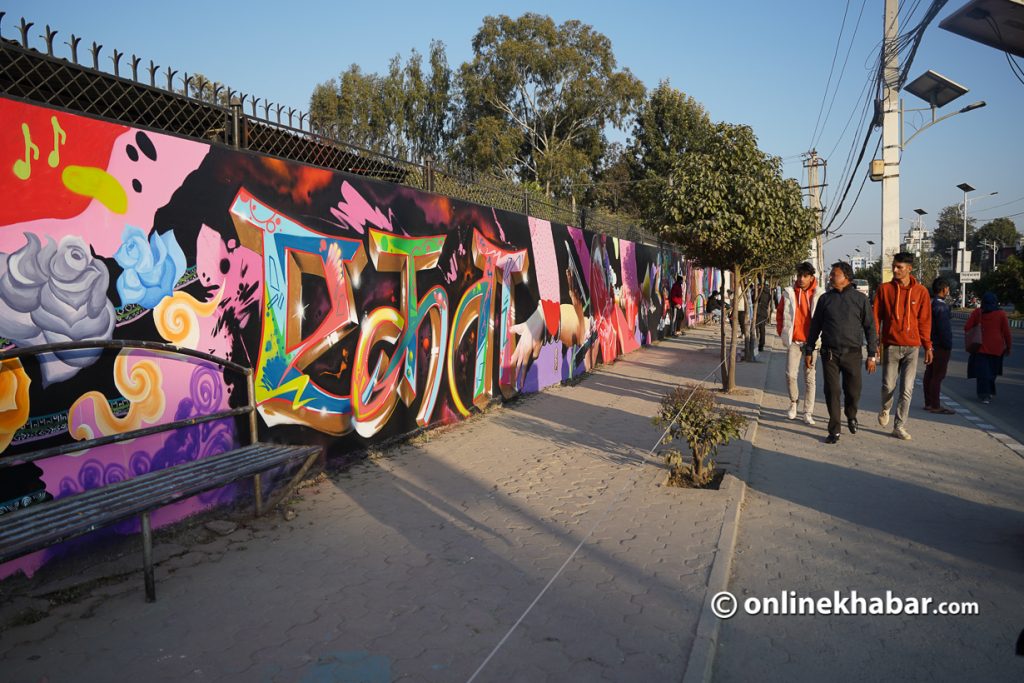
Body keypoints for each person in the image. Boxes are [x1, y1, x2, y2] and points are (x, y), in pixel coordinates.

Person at [804, 261, 878, 444]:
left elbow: (870, 328)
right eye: (831, 274)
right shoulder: (825, 299)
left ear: (846, 277)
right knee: (832, 390)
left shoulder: (860, 300)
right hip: (829, 353)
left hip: (853, 353)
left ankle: (851, 415)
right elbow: (815, 326)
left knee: (853, 391)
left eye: (834, 274)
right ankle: (834, 429)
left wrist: (872, 355)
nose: (830, 277)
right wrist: (809, 349)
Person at [872, 252, 933, 440]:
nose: (895, 270)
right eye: (894, 266)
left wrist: (928, 346)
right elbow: (876, 317)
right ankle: (885, 408)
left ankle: (899, 425)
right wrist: (875, 342)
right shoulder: (884, 290)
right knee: (888, 386)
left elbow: (924, 321)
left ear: (909, 269)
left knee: (907, 389)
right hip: (890, 346)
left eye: (899, 267)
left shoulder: (921, 291)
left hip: (912, 348)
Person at [776, 261, 823, 425]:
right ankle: (793, 404)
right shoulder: (789, 292)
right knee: (790, 374)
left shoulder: (819, 293)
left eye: (805, 276)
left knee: (810, 378)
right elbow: (780, 313)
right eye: (799, 276)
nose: (801, 279)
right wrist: (781, 331)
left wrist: (821, 337)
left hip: (812, 342)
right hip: (794, 341)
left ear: (811, 277)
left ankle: (808, 412)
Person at [965, 292, 1012, 404]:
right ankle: (988, 392)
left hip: (980, 347)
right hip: (997, 348)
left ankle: (984, 394)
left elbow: (967, 327)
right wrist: (1008, 347)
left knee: (982, 372)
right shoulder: (1001, 314)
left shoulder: (978, 312)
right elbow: (1006, 333)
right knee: (992, 372)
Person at [922, 277, 955, 414]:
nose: (948, 290)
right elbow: (944, 329)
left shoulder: (931, 304)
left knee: (930, 374)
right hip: (940, 345)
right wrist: (948, 344)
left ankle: (929, 403)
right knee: (938, 376)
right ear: (944, 289)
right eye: (947, 288)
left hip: (931, 344)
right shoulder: (941, 307)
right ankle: (935, 405)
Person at [755, 284, 771, 352]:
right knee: (762, 330)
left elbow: (755, 300)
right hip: (764, 312)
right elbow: (769, 303)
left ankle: (755, 344)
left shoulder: (759, 292)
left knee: (755, 328)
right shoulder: (769, 294)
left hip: (758, 312)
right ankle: (761, 345)